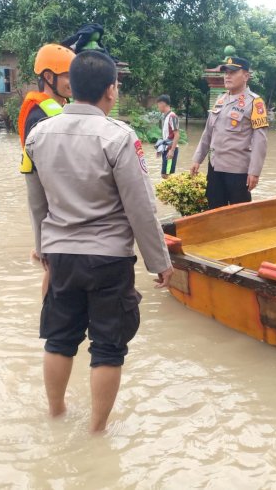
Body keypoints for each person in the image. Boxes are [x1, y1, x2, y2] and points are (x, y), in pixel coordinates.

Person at [24, 50, 174, 433]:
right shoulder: (119, 137)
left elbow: (36, 201)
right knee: (107, 348)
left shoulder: (38, 135)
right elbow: (140, 208)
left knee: (59, 340)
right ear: (111, 89)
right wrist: (160, 262)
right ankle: (96, 432)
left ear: (71, 87)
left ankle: (55, 413)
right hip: (108, 259)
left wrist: (42, 247)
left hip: (61, 256)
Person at [18, 43, 75, 298]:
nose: (72, 82)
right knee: (52, 268)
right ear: (49, 77)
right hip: (49, 199)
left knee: (53, 266)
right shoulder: (39, 114)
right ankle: (50, 319)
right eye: (67, 76)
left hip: (54, 200)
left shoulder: (56, 107)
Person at [190, 55, 268, 209]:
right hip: (214, 168)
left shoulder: (254, 102)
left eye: (232, 72)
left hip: (237, 172)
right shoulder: (220, 100)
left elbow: (260, 141)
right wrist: (197, 159)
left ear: (246, 76)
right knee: (214, 212)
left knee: (239, 216)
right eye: (226, 72)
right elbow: (208, 133)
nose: (227, 76)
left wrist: (254, 172)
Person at [156, 94, 179, 179]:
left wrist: (172, 151)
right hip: (166, 149)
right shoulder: (165, 117)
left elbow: (177, 135)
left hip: (171, 149)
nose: (158, 107)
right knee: (165, 174)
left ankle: (173, 191)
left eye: (158, 105)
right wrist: (160, 149)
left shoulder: (172, 116)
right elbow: (166, 136)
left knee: (167, 175)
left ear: (163, 104)